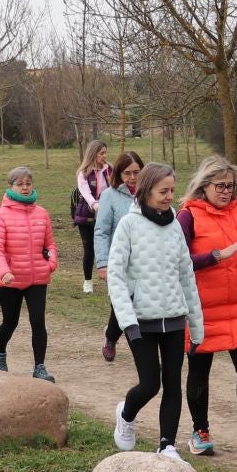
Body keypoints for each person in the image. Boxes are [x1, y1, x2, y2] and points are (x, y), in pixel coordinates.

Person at [108, 163, 207, 460]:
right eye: (163, 191)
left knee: (173, 382)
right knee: (150, 384)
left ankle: (167, 445)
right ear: (145, 190)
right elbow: (116, 276)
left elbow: (186, 276)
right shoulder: (128, 225)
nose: (168, 197)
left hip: (174, 319)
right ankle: (126, 414)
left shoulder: (175, 225)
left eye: (172, 191)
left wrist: (196, 326)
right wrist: (127, 322)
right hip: (141, 322)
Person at [178, 155, 237, 460]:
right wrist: (215, 256)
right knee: (200, 370)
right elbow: (177, 262)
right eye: (219, 185)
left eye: (230, 186)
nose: (226, 192)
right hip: (202, 307)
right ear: (204, 186)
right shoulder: (187, 216)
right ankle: (200, 431)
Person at [0, 166, 57, 379]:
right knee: (10, 322)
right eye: (20, 184)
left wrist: (50, 264)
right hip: (10, 280)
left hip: (37, 277)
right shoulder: (0, 215)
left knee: (38, 321)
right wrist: (4, 270)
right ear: (11, 187)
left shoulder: (42, 213)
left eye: (28, 183)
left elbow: (50, 244)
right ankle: (0, 352)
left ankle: (40, 367)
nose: (25, 188)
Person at [92, 150, 144, 361]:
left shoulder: (149, 193)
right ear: (119, 174)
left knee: (137, 306)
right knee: (123, 306)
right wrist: (103, 263)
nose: (132, 178)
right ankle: (138, 355)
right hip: (118, 263)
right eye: (127, 173)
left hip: (144, 262)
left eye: (137, 172)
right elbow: (101, 231)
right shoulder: (108, 196)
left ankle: (111, 335)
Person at [71, 140, 111, 294]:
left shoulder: (110, 170)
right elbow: (85, 192)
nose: (104, 156)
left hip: (106, 214)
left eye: (105, 152)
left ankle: (110, 282)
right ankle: (88, 281)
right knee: (89, 249)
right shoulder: (84, 173)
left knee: (108, 248)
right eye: (101, 153)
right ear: (93, 154)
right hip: (87, 215)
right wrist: (95, 205)